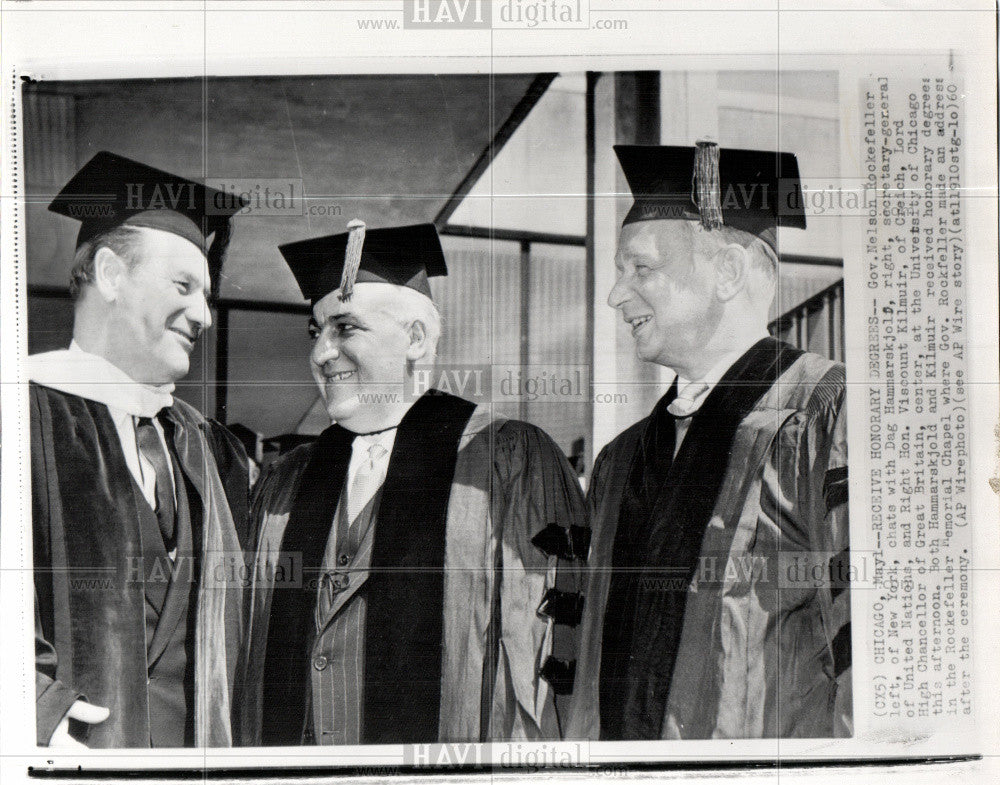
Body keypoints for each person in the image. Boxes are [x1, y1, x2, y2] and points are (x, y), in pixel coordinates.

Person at [236, 222, 587, 746]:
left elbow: (551, 656)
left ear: (416, 340)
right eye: (316, 332)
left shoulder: (506, 461)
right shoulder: (288, 479)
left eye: (345, 328)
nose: (322, 353)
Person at [567, 142, 851, 740]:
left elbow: (872, 652)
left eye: (640, 268)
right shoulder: (621, 461)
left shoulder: (825, 413)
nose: (615, 295)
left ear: (726, 273)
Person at [29, 151, 250, 748]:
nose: (204, 313)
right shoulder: (23, 412)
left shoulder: (209, 449)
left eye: (207, 293)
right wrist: (35, 713)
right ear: (110, 274)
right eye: (184, 285)